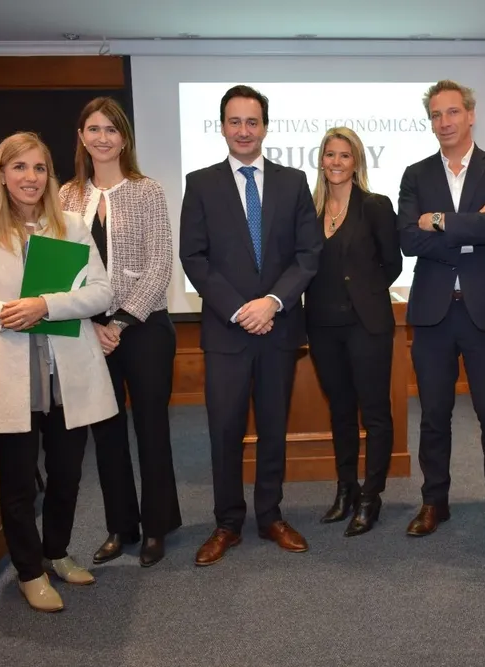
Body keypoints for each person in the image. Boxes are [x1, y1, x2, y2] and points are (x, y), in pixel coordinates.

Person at [0, 132, 117, 612]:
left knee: (66, 475)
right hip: (10, 372)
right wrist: (2, 312)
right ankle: (28, 570)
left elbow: (102, 293)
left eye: (39, 168)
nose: (30, 177)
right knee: (19, 481)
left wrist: (46, 304)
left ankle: (57, 552)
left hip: (67, 374)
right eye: (19, 167)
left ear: (50, 175)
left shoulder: (73, 226)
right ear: (1, 174)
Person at [180, 85, 323, 565]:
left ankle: (270, 515)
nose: (244, 130)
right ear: (222, 127)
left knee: (274, 429)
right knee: (224, 430)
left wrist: (273, 302)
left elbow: (308, 255)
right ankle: (227, 523)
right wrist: (241, 309)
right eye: (235, 122)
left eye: (252, 122)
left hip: (279, 330)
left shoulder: (293, 181)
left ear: (265, 126)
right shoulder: (200, 183)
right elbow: (193, 257)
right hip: (227, 332)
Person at [60, 97, 182, 568]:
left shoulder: (147, 191)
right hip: (88, 332)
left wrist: (119, 322)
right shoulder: (66, 196)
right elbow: (61, 270)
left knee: (152, 429)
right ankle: (120, 526)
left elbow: (159, 265)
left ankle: (156, 527)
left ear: (124, 138)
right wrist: (92, 323)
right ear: (82, 137)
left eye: (111, 129)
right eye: (94, 129)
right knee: (106, 433)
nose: (102, 137)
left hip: (146, 328)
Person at [397, 79, 485, 544]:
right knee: (434, 416)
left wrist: (442, 221)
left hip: (484, 313)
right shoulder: (416, 174)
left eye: (451, 112)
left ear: (470, 115)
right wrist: (473, 227)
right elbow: (408, 239)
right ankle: (434, 502)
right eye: (435, 115)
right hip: (432, 313)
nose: (443, 122)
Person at [306, 126, 402, 537]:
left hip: (368, 325)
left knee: (375, 412)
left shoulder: (375, 206)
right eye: (330, 154)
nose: (336, 162)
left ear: (357, 161)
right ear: (321, 159)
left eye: (345, 155)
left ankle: (371, 496)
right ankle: (346, 489)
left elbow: (393, 263)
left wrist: (364, 290)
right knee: (340, 411)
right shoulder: (307, 210)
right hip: (323, 327)